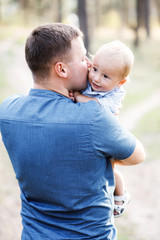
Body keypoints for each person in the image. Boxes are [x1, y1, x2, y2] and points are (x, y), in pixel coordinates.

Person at [0, 23, 145, 240]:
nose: (89, 64)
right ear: (62, 69)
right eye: (83, 58)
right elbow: (138, 155)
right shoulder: (93, 116)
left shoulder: (7, 110)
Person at [73, 40, 134, 217]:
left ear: (120, 82)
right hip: (90, 134)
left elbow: (95, 105)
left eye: (106, 76)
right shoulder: (92, 79)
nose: (97, 78)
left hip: (106, 137)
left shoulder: (113, 96)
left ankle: (121, 196)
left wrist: (77, 96)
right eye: (95, 69)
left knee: (110, 168)